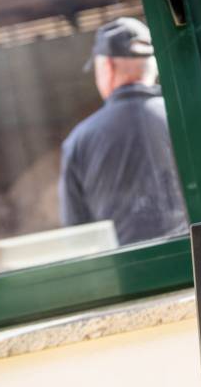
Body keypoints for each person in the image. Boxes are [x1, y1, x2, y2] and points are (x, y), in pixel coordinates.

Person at [59, 17, 187, 245]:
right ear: (153, 66)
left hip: (128, 275)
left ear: (107, 66)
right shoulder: (185, 118)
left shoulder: (79, 141)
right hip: (194, 264)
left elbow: (77, 237)